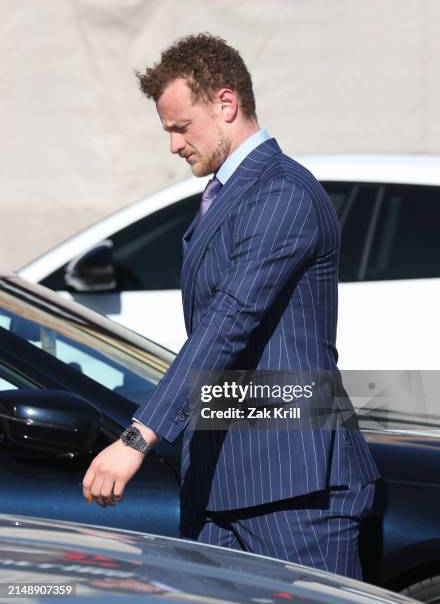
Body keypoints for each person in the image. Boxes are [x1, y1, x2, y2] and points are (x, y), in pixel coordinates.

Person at [83, 33, 380, 579]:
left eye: (180, 127)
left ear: (225, 103)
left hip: (295, 485)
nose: (173, 145)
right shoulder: (232, 192)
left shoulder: (282, 192)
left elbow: (227, 322)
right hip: (220, 478)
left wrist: (137, 436)